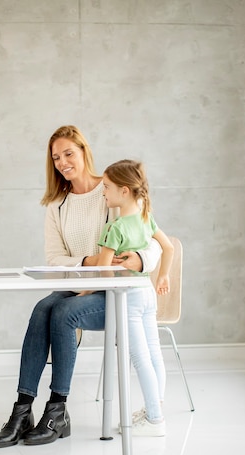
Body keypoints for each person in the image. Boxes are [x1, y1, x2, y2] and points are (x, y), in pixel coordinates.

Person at [0, 125, 161, 448]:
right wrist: (89, 261)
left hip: (115, 293)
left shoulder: (112, 190)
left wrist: (139, 260)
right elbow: (55, 260)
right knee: (42, 308)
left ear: (84, 151)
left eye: (69, 153)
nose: (62, 162)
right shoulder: (57, 206)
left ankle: (57, 411)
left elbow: (151, 239)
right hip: (78, 286)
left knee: (64, 312)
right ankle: (22, 409)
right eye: (56, 157)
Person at [87, 159, 173, 436]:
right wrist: (163, 276)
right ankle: (154, 410)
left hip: (129, 297)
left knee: (139, 357)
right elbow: (168, 247)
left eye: (107, 187)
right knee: (154, 353)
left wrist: (107, 293)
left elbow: (104, 269)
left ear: (124, 191)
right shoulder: (147, 219)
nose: (103, 192)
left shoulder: (115, 228)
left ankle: (155, 419)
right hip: (147, 292)